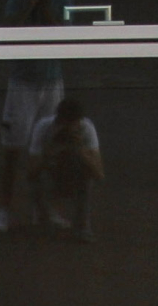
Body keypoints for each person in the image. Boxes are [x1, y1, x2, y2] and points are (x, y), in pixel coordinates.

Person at [0, 0, 71, 234]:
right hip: (23, 82)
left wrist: (47, 6)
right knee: (13, 148)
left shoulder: (62, 1)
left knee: (47, 148)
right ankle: (3, 211)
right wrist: (31, 4)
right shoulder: (19, 0)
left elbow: (63, 33)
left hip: (51, 81)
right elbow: (9, 29)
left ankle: (43, 209)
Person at [30, 96, 104, 240]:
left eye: (74, 124)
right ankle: (46, 221)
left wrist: (80, 150)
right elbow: (30, 173)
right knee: (38, 179)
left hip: (74, 178)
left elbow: (99, 174)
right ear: (58, 121)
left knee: (86, 174)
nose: (70, 129)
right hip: (52, 177)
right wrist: (52, 150)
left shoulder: (86, 128)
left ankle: (82, 227)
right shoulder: (43, 127)